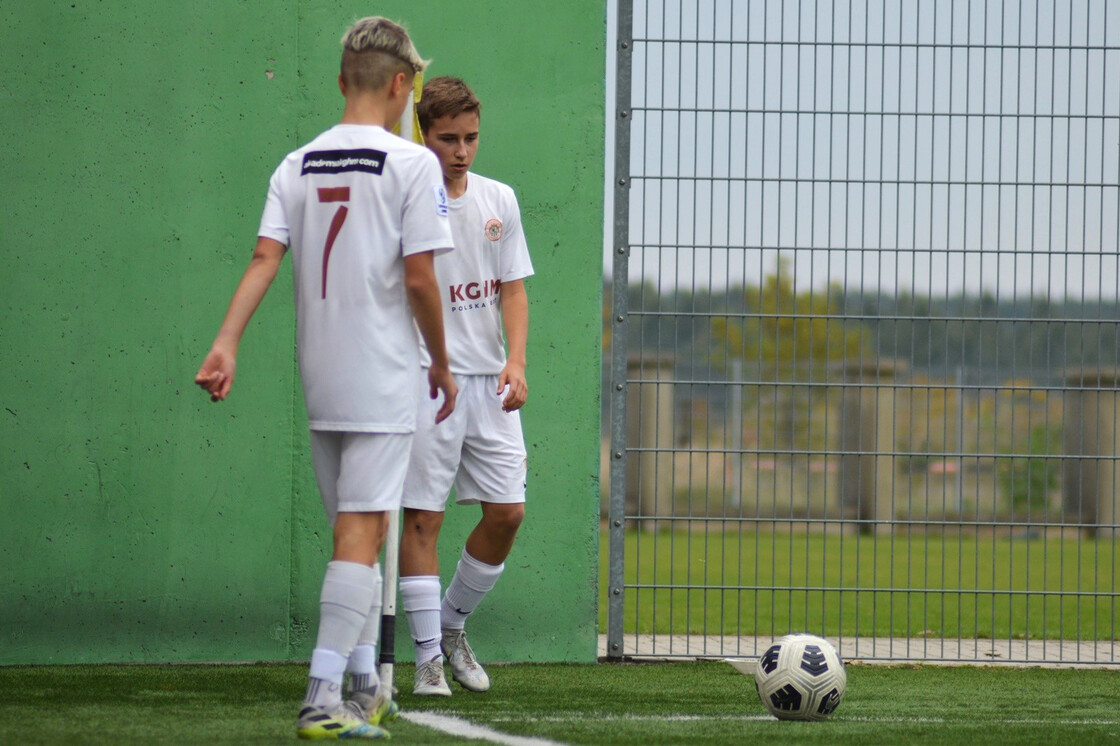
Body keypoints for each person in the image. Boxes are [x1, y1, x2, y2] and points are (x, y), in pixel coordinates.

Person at [194, 17, 457, 740]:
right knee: (361, 532)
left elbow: (262, 258)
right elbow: (421, 278)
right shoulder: (412, 165)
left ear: (343, 81)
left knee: (357, 531)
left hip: (322, 374)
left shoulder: (296, 162)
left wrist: (226, 342)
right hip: (381, 372)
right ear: (403, 86)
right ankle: (320, 696)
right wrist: (439, 359)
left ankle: (366, 684)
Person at [398, 76, 533, 697]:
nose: (461, 150)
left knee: (507, 513)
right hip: (427, 383)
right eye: (448, 138)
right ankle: (426, 659)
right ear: (424, 134)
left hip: (489, 385)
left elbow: (512, 289)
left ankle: (450, 629)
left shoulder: (499, 198)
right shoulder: (403, 200)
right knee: (422, 519)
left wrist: (518, 363)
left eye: (471, 138)